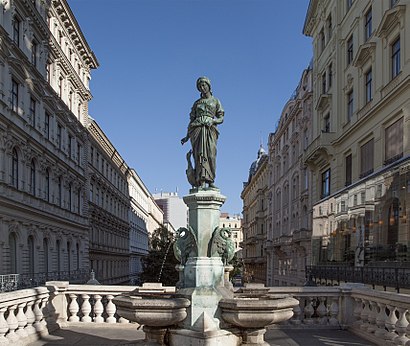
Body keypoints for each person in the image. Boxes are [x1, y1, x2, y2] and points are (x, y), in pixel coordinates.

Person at [181, 77, 224, 189]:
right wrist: (186, 137)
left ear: (209, 86)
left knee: (210, 154)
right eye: (200, 87)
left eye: (204, 85)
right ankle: (200, 181)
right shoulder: (196, 103)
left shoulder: (215, 101)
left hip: (210, 130)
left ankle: (210, 180)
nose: (202, 88)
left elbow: (221, 118)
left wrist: (213, 120)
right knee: (198, 155)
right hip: (197, 130)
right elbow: (191, 120)